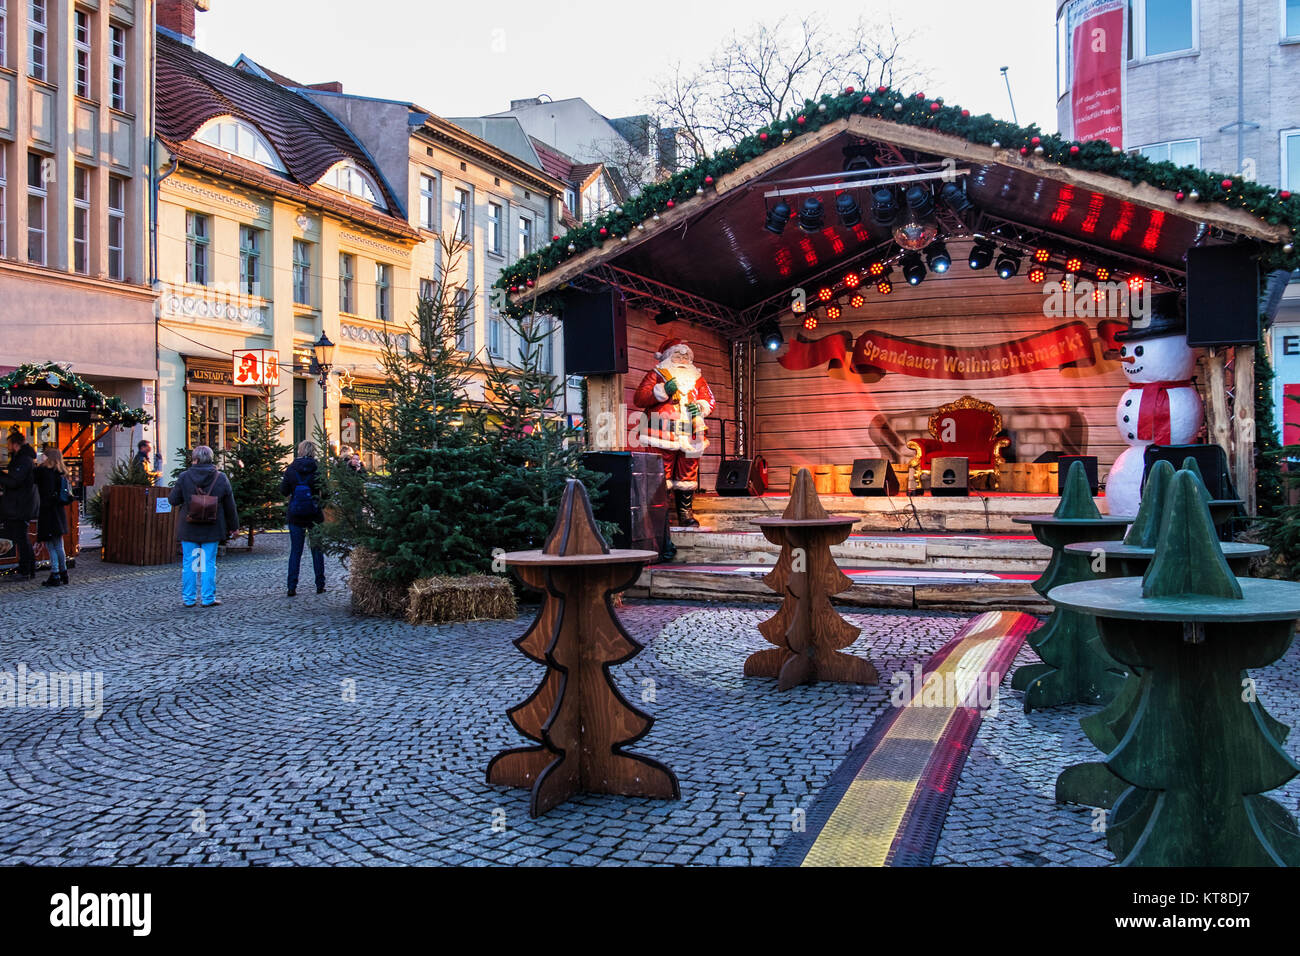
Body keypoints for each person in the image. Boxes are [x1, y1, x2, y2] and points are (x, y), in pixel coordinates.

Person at [168, 445, 239, 608]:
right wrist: (234, 527)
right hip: (212, 528)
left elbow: (173, 500)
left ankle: (189, 598)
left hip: (189, 527)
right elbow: (230, 505)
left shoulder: (184, 477)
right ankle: (208, 598)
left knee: (189, 563)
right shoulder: (221, 478)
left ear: (195, 459)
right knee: (208, 563)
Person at [281, 440, 326, 597]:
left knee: (296, 551)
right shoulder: (318, 469)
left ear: (299, 451)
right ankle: (320, 584)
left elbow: (283, 490)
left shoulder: (291, 469)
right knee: (317, 550)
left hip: (295, 514)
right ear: (314, 451)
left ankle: (291, 586)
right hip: (314, 514)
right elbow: (326, 492)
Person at [0, 430, 40, 581]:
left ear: (15, 444)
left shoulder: (23, 460)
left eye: (9, 444)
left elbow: (14, 481)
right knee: (20, 537)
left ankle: (27, 568)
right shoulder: (22, 458)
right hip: (19, 504)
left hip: (21, 505)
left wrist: (1, 476)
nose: (7, 447)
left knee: (21, 537)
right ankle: (26, 567)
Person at [33, 446, 71, 587]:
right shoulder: (60, 472)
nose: (41, 456)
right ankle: (64, 573)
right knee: (59, 545)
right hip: (59, 513)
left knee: (51, 545)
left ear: (48, 457)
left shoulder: (44, 472)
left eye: (44, 455)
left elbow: (43, 491)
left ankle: (55, 575)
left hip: (48, 513)